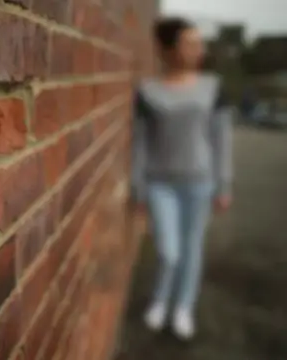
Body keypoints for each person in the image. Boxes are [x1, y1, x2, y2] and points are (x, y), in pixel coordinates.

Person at [131, 17, 233, 340]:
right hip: (160, 184)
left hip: (200, 183)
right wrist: (138, 186)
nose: (198, 49)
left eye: (198, 43)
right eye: (190, 43)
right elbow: (140, 143)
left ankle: (183, 307)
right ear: (168, 49)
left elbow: (222, 140)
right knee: (169, 251)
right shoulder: (147, 92)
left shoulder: (213, 88)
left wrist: (224, 184)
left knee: (192, 249)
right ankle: (161, 299)